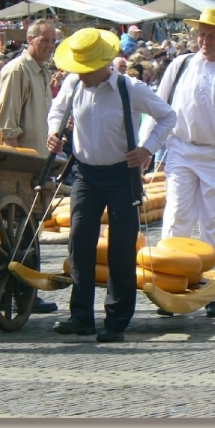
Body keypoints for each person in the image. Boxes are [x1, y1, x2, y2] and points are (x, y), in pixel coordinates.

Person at [47, 28, 176, 342]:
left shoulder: (129, 87)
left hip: (121, 175)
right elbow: (57, 110)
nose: (79, 75)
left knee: (121, 247)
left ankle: (116, 319)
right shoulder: (72, 83)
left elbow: (168, 116)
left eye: (84, 70)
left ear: (100, 65)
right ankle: (81, 316)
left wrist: (147, 149)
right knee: (79, 240)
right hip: (86, 175)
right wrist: (54, 131)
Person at [139, 7, 215, 318]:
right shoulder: (180, 65)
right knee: (177, 214)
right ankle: (170, 282)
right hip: (181, 149)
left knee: (214, 222)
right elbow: (158, 106)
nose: (204, 40)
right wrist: (145, 149)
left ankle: (213, 289)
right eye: (201, 34)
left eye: (211, 35)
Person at [0, 18, 58, 314]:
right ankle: (18, 290)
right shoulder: (17, 70)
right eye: (44, 41)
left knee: (28, 230)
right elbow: (7, 126)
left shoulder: (42, 72)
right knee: (18, 230)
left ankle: (28, 290)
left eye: (52, 41)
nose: (49, 46)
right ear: (30, 40)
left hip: (38, 163)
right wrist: (13, 167)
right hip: (22, 165)